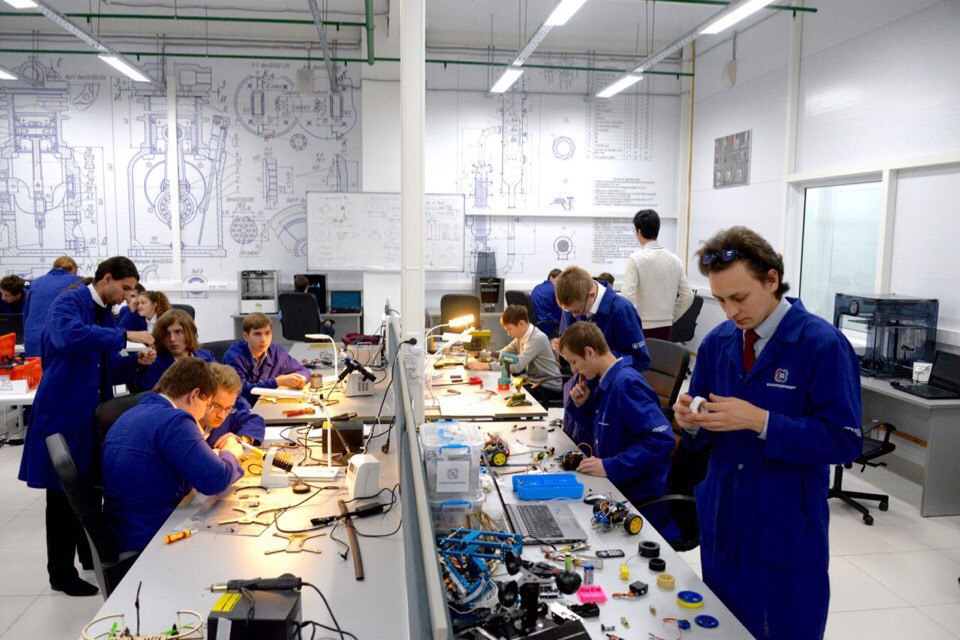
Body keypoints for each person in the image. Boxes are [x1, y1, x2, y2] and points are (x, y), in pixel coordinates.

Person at [672, 227, 862, 640]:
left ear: (772, 280)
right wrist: (690, 421)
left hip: (784, 516)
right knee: (723, 623)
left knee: (786, 624)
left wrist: (762, 421)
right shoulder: (718, 343)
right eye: (720, 300)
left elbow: (845, 439)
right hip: (724, 510)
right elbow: (703, 427)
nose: (729, 311)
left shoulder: (822, 345)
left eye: (739, 298)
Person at [18, 256, 156, 597]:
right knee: (62, 495)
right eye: (124, 288)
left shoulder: (104, 313)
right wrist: (124, 336)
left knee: (88, 490)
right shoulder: (69, 302)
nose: (127, 296)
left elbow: (105, 368)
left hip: (89, 416)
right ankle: (60, 574)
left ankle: (88, 557)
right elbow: (68, 337)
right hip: (63, 412)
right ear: (106, 278)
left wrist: (136, 363)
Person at [103, 358, 244, 554]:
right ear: (194, 395)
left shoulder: (132, 413)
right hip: (150, 538)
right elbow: (215, 481)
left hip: (120, 532)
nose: (207, 412)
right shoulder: (175, 420)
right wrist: (230, 452)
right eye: (208, 405)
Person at [559, 322, 674, 529]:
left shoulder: (626, 384)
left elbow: (661, 440)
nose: (574, 369)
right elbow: (605, 434)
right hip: (615, 483)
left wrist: (609, 466)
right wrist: (583, 406)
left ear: (589, 352)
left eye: (574, 361)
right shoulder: (605, 383)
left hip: (637, 495)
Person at [552, 265, 650, 443]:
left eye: (577, 311)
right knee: (573, 445)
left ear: (591, 294)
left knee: (599, 448)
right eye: (569, 311)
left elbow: (640, 360)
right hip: (583, 389)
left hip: (608, 394)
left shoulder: (621, 310)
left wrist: (600, 363)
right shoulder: (576, 306)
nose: (573, 315)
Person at [466, 304, 563, 405]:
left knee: (507, 397)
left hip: (548, 386)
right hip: (535, 382)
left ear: (521, 323)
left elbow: (517, 365)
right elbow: (502, 354)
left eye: (509, 329)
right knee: (504, 393)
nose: (508, 334)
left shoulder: (537, 338)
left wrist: (486, 366)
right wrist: (479, 354)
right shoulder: (521, 338)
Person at [621, 209, 694, 341]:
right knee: (662, 355)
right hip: (666, 327)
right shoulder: (675, 259)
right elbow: (688, 295)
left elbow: (627, 297)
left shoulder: (635, 259)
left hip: (641, 326)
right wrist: (671, 316)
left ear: (638, 231)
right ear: (657, 230)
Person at [223, 312, 312, 404]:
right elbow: (241, 391)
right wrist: (277, 382)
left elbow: (303, 370)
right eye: (257, 334)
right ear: (246, 336)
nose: (263, 339)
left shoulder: (276, 351)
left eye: (267, 333)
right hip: (242, 407)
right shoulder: (233, 357)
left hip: (265, 402)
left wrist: (300, 379)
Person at [135, 309, 217, 391]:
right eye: (167, 333)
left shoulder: (206, 356)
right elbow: (152, 395)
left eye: (178, 332)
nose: (172, 339)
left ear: (190, 333)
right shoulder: (154, 363)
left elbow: (217, 386)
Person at [22, 256, 82, 357]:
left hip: (33, 339)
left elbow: (26, 313)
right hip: (59, 339)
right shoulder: (79, 281)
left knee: (37, 367)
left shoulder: (36, 283)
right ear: (75, 270)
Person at [202, 364, 266, 448]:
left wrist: (241, 440)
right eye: (216, 406)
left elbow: (256, 420)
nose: (221, 416)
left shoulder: (229, 415)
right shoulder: (187, 426)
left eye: (228, 408)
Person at [530, 268, 563, 337]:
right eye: (559, 279)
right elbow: (559, 313)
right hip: (546, 325)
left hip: (535, 325)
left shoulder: (537, 287)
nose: (561, 282)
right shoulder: (554, 290)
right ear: (551, 278)